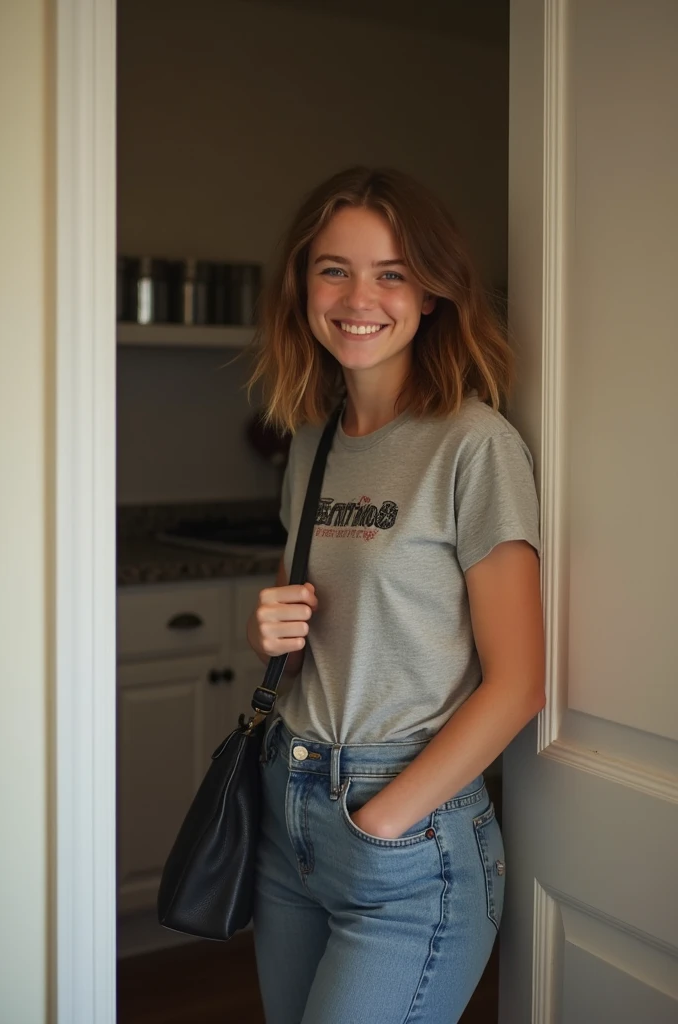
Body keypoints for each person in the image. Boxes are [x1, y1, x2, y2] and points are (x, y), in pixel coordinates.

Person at [245, 166, 545, 1024]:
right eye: (334, 268)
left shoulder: (473, 445)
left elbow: (519, 681)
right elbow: (319, 620)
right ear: (303, 283)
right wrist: (272, 626)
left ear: (433, 292)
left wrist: (385, 818)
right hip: (287, 801)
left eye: (392, 272)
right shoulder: (311, 439)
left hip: (403, 830)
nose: (358, 297)